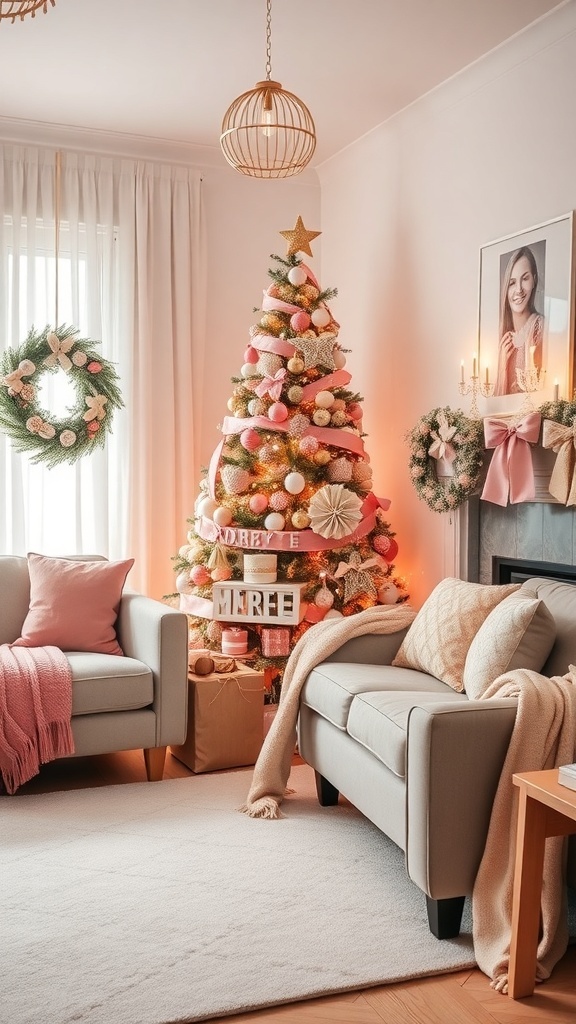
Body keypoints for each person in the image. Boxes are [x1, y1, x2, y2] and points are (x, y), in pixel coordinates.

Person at [494, 245, 544, 396]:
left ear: (534, 280)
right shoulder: (504, 340)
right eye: (512, 282)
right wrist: (502, 367)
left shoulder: (540, 327)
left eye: (525, 278)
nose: (519, 289)